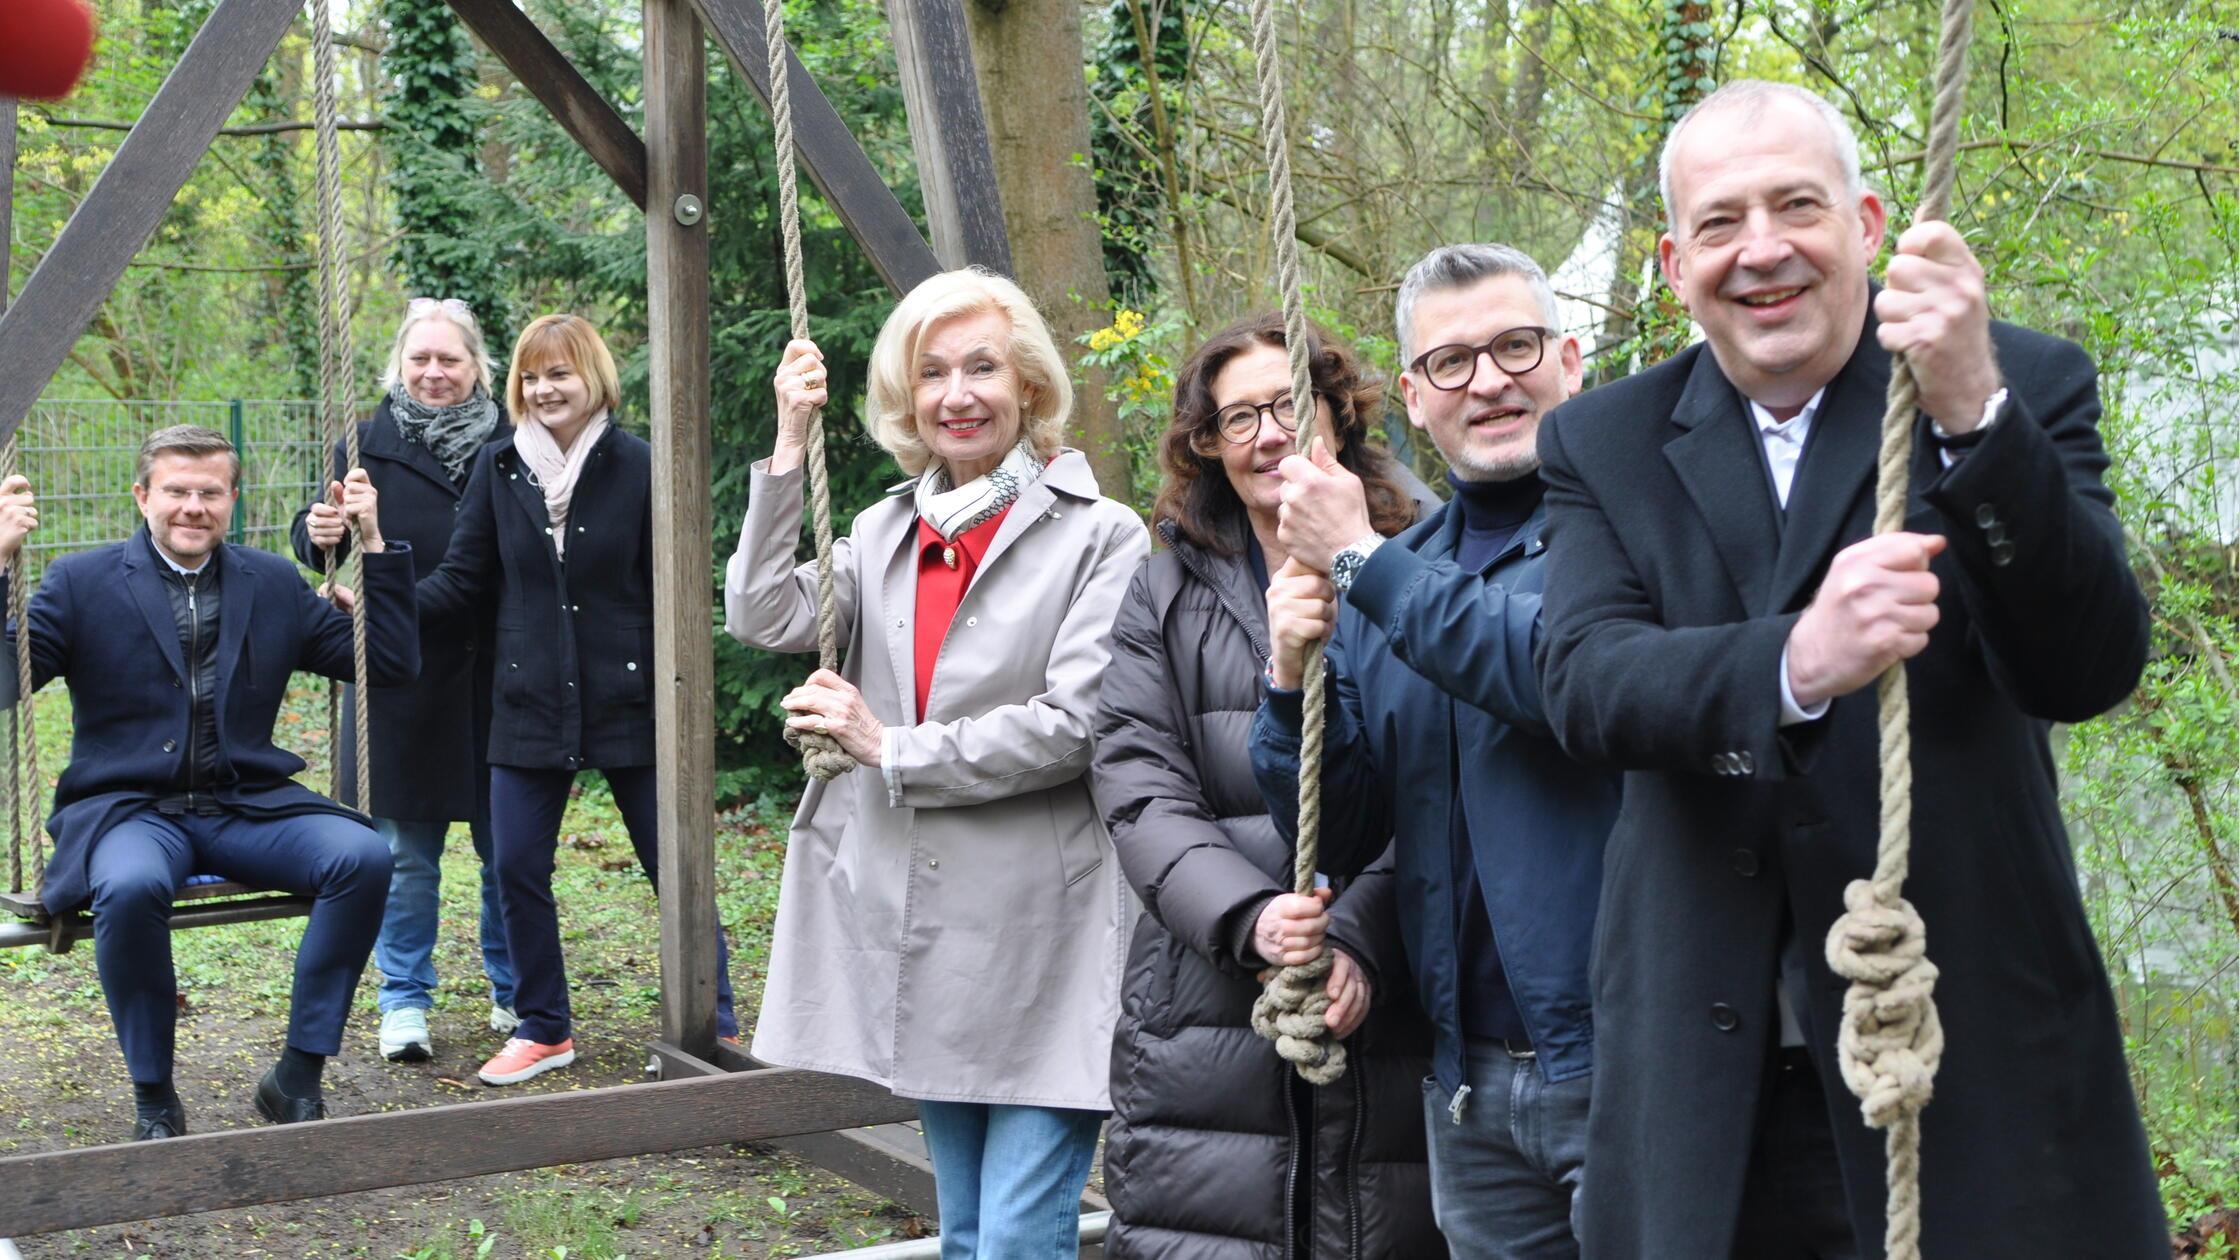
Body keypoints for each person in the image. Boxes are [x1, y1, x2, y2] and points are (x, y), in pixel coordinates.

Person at [1533, 80, 2164, 1256]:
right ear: (1675, 262)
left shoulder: (2014, 382)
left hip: (1961, 1050)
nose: (1760, 250)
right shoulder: (1600, 440)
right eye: (1720, 223)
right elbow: (1584, 683)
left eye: (1796, 207)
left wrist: (1975, 411)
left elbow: (2086, 665)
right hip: (1706, 1087)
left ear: (1867, 225)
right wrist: (1797, 659)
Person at [726, 267, 1149, 1260]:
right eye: (932, 374)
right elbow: (760, 612)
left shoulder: (1101, 536)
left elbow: (1074, 724)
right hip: (924, 928)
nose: (958, 394)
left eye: (982, 367)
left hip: (1045, 936)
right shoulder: (883, 532)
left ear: (1030, 386)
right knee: (965, 1237)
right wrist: (789, 445)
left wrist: (886, 747)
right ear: (907, 399)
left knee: (1013, 1238)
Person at [1250, 246, 1620, 1259]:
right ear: (1414, 398)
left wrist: (1358, 560)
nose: (1489, 380)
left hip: (1627, 1064)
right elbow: (1345, 820)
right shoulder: (1402, 571)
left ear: (1570, 359)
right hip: (1466, 1082)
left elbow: (1553, 678)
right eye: (1451, 362)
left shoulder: (1630, 526)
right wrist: (1288, 679)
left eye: (1515, 346)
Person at [1091, 313, 1446, 1260]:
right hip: (1204, 1012)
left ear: (1337, 413)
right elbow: (1136, 784)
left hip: (1394, 992)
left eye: (1288, 405)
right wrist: (1250, 918)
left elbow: (1450, 786)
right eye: (1237, 418)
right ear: (1206, 445)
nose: (1269, 436)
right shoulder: (1161, 592)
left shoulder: (1424, 572)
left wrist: (1359, 937)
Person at [0, 424, 420, 1140]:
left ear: (231, 500)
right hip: (129, 810)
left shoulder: (272, 582)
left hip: (245, 803)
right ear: (142, 497)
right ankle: (154, 1094)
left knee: (364, 857)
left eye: (210, 492)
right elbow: (7, 680)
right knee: (129, 888)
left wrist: (373, 547)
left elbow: (388, 664)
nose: (192, 506)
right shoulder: (82, 582)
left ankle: (295, 1076)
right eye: (176, 491)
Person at [416, 312, 738, 1087]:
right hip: (527, 700)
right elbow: (461, 582)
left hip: (632, 699)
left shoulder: (640, 466)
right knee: (516, 867)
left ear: (593, 379)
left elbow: (678, 587)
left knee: (676, 866)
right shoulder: (498, 470)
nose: (543, 388)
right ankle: (543, 1027)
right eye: (530, 376)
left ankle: (715, 1023)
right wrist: (380, 595)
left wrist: (683, 693)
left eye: (558, 373)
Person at [293, 297, 515, 1064]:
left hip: (497, 667)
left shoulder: (513, 439)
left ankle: (513, 990)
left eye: (448, 359)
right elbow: (314, 530)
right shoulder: (364, 442)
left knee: (507, 846)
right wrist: (315, 531)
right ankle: (404, 1000)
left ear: (476, 366)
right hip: (398, 672)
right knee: (406, 855)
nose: (432, 373)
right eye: (420, 359)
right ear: (399, 364)